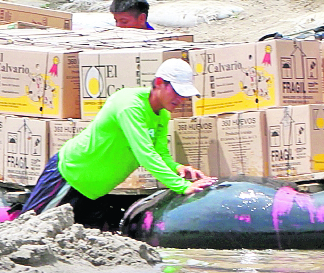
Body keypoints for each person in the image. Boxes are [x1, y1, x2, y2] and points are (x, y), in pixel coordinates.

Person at [20, 59, 210, 224]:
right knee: (31, 229)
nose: (181, 99)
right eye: (177, 92)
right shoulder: (130, 105)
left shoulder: (162, 115)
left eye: (184, 94)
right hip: (69, 177)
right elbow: (144, 154)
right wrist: (182, 186)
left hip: (96, 191)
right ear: (159, 83)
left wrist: (177, 168)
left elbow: (160, 154)